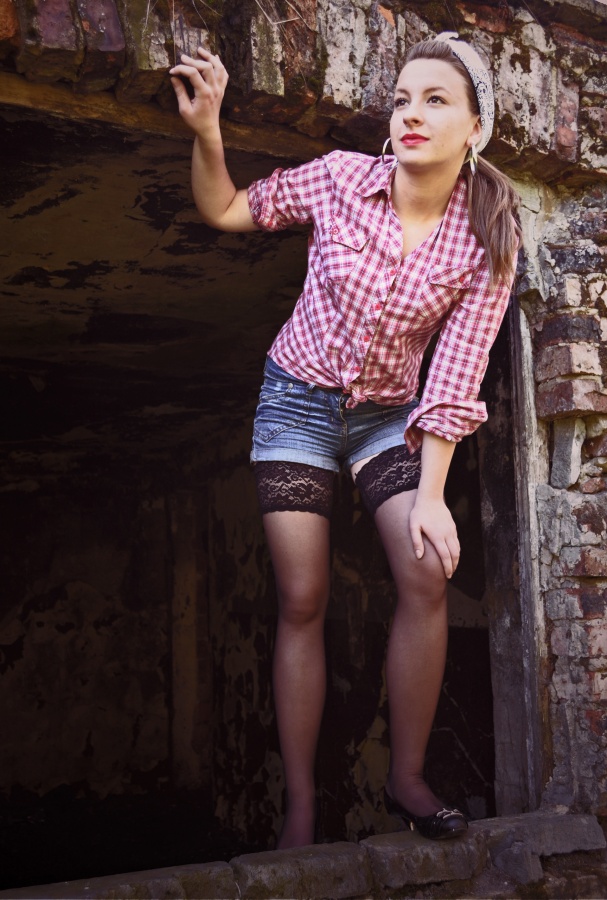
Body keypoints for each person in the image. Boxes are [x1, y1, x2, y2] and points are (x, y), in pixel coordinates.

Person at [170, 32, 521, 847]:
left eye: (434, 100)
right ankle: (300, 806)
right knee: (303, 596)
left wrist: (431, 496)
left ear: (474, 128)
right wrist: (208, 130)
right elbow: (226, 210)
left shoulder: (486, 239)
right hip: (294, 402)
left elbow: (455, 374)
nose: (410, 114)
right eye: (401, 99)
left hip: (386, 417)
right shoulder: (338, 179)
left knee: (426, 571)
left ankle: (406, 778)